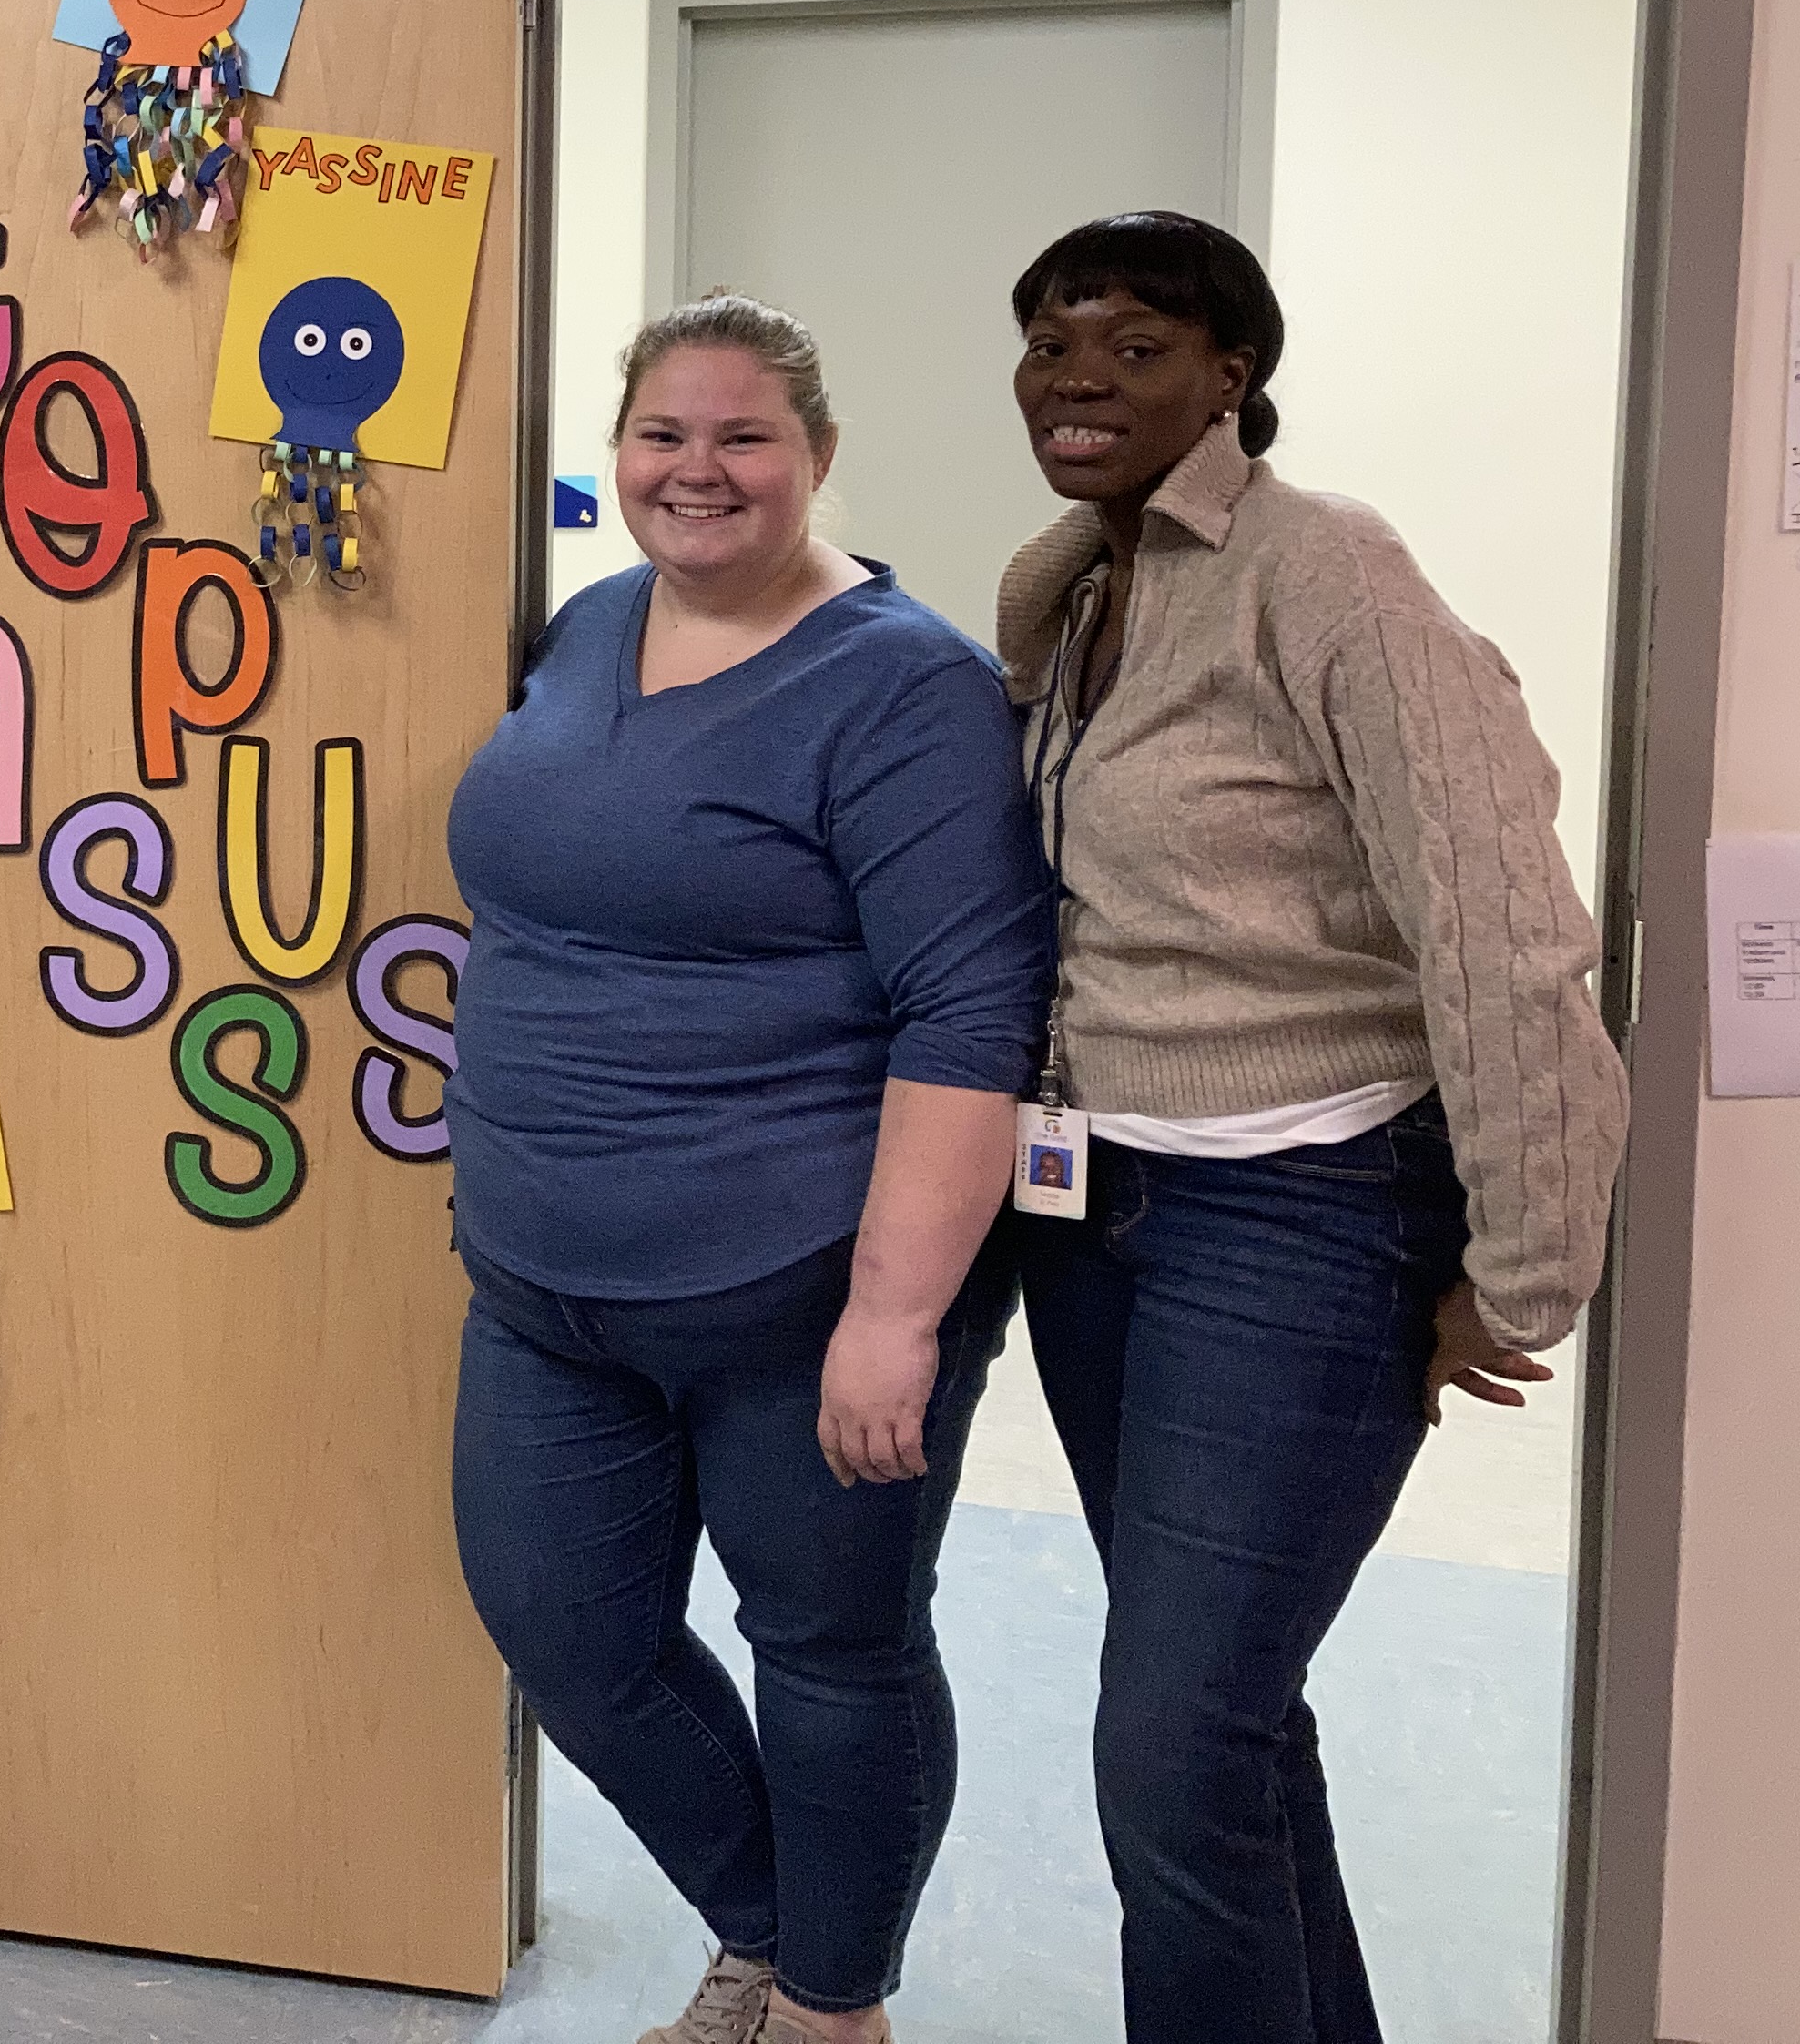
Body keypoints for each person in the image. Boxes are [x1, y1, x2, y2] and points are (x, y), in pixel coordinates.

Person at [996, 213, 1628, 2044]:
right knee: (1234, 1727)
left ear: (1232, 375)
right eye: (1050, 343)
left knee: (1174, 1750)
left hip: (1305, 1212)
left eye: (1134, 346)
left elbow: (1500, 921)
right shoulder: (1075, 590)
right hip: (1097, 1218)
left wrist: (1524, 1257)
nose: (1078, 381)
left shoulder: (1327, 572)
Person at [445, 295, 1054, 2044]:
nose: (695, 471)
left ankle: (829, 2005)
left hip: (799, 1290)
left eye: (742, 438)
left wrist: (896, 1317)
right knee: (568, 1633)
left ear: (818, 455)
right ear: (618, 452)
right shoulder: (586, 629)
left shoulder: (908, 688)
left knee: (833, 1652)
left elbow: (971, 1014)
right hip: (544, 1282)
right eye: (662, 435)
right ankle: (783, 1940)